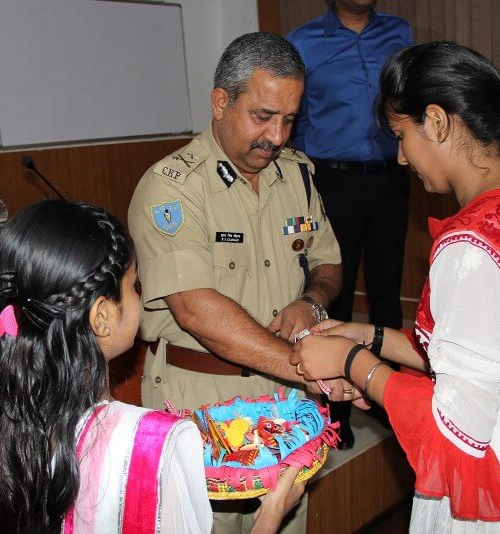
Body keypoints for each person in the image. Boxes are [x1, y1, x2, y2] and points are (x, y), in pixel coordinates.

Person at [290, 41, 500, 530]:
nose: (399, 158)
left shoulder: (472, 245)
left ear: (436, 122)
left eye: (400, 135)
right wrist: (366, 336)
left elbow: (455, 432)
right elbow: (489, 354)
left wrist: (351, 364)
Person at [0, 199, 305, 534]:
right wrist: (271, 515)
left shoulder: (17, 411)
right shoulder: (152, 444)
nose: (141, 296)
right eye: (133, 285)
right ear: (103, 317)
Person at [128, 32, 344, 533]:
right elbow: (196, 310)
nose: (278, 136)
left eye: (290, 119)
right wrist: (304, 366)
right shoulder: (173, 188)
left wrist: (311, 302)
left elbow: (329, 263)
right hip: (200, 402)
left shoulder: (297, 175)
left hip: (286, 403)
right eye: (262, 116)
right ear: (220, 102)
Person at [287, 0, 413, 447]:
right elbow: (296, 119)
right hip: (332, 183)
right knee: (334, 299)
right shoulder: (304, 42)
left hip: (390, 180)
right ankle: (332, 414)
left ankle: (390, 404)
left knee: (386, 299)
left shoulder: (399, 33)